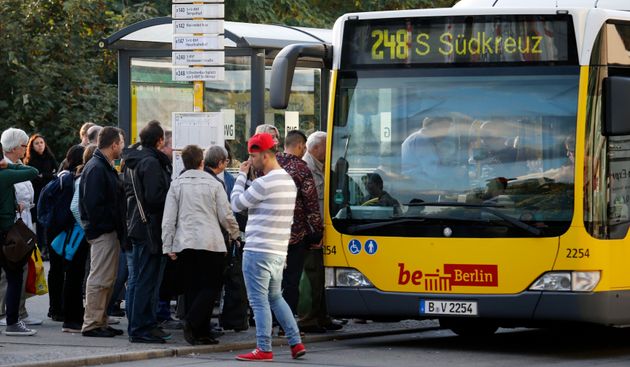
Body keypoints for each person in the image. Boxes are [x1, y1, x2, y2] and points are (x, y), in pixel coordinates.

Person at [231, 132, 306, 362]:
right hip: (278, 251)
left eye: (253, 157)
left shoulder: (264, 183)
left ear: (264, 156)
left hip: (257, 250)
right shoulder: (287, 181)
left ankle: (264, 348)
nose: (250, 161)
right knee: (276, 297)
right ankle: (296, 342)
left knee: (258, 301)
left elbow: (236, 203)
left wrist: (241, 177)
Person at [162, 144, 240, 345]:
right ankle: (195, 324)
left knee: (192, 288)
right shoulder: (214, 184)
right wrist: (235, 234)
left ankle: (200, 332)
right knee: (211, 286)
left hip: (185, 242)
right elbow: (226, 214)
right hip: (210, 242)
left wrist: (167, 245)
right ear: (202, 162)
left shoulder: (176, 184)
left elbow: (169, 218)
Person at [122, 120, 172, 344]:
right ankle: (141, 328)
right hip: (149, 227)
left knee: (146, 279)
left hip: (139, 225)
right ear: (159, 140)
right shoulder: (150, 163)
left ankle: (145, 324)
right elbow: (154, 198)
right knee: (146, 279)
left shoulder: (136, 160)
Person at [79, 127, 126, 338]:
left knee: (107, 278)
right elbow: (93, 205)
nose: (123, 147)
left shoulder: (101, 165)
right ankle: (92, 324)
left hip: (106, 231)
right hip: (102, 232)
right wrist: (109, 225)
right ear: (114, 144)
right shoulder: (97, 168)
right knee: (100, 279)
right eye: (122, 143)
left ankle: (101, 320)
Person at [275, 130, 323, 317]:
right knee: (292, 280)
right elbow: (311, 204)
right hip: (295, 233)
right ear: (301, 146)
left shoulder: (270, 164)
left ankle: (270, 320)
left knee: (273, 281)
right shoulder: (302, 169)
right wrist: (317, 232)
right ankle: (286, 322)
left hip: (271, 232)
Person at [299, 131, 343, 333]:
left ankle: (323, 316)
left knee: (324, 275)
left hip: (326, 230)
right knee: (313, 275)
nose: (329, 150)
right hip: (312, 232)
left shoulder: (322, 167)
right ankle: (309, 319)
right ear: (315, 148)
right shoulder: (306, 168)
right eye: (326, 146)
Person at [0, 128, 41, 332]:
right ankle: (12, 322)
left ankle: (14, 319)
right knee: (14, 276)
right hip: (6, 230)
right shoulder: (5, 174)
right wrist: (9, 165)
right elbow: (33, 172)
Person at [204, 145, 248, 332]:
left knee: (201, 284)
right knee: (217, 282)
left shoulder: (184, 178)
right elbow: (228, 212)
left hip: (193, 240)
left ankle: (197, 323)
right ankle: (229, 320)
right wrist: (235, 234)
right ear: (222, 162)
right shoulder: (218, 183)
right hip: (215, 239)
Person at [49, 145, 91, 333]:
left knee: (70, 274)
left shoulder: (67, 176)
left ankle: (66, 313)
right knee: (73, 275)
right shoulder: (77, 178)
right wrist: (86, 228)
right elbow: (75, 207)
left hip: (67, 231)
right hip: (75, 233)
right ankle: (69, 317)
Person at [401, 116, 463, 188]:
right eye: (445, 128)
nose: (446, 133)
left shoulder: (422, 139)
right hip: (416, 189)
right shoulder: (421, 140)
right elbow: (434, 172)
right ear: (435, 126)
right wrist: (454, 172)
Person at [24, 134, 58, 260]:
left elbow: (55, 174)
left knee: (50, 221)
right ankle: (42, 248)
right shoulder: (30, 160)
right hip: (37, 194)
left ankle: (48, 248)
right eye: (37, 143)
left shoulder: (49, 157)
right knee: (39, 222)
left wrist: (43, 176)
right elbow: (32, 177)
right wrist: (44, 176)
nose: (40, 145)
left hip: (49, 193)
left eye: (41, 142)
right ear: (32, 146)